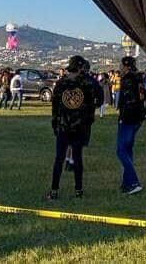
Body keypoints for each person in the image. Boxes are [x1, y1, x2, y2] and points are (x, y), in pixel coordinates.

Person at [47, 55, 96, 200]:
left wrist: (55, 124)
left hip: (63, 126)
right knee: (77, 158)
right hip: (79, 127)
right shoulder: (86, 84)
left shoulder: (61, 83)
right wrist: (88, 123)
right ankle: (78, 190)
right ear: (80, 68)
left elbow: (55, 107)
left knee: (59, 159)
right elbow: (92, 106)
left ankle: (54, 191)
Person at [116, 56, 146, 195]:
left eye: (121, 65)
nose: (120, 68)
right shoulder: (139, 79)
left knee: (121, 150)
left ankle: (133, 181)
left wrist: (123, 118)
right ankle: (126, 182)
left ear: (126, 66)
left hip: (128, 119)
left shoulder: (128, 80)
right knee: (128, 150)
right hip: (137, 118)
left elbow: (129, 101)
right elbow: (144, 98)